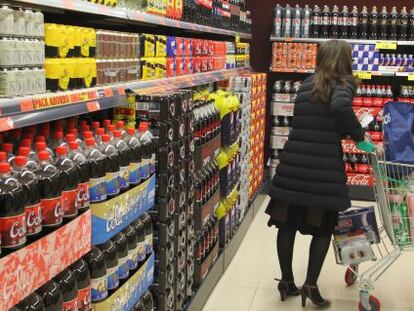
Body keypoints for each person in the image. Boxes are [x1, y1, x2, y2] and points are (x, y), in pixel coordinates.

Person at [266, 40, 370, 308]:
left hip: (292, 165)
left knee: (286, 223)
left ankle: (287, 280)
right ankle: (310, 286)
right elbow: (338, 108)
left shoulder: (305, 84)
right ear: (344, 60)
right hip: (322, 169)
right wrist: (359, 137)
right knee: (322, 228)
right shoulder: (343, 84)